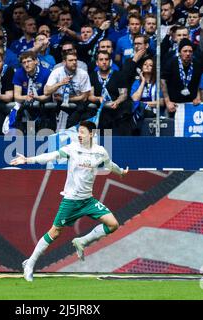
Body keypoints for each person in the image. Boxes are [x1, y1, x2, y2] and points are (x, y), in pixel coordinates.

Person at [10, 120, 129, 282]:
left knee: (113, 224)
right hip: (71, 201)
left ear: (92, 134)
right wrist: (28, 160)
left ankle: (82, 241)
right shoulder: (72, 148)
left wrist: (120, 172)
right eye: (78, 132)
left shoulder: (100, 151)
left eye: (83, 132)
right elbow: (52, 155)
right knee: (55, 232)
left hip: (88, 201)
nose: (79, 135)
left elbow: (109, 165)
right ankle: (29, 264)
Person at [45, 50, 92, 129]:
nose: (74, 62)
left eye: (75, 60)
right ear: (64, 62)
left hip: (78, 104)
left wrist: (63, 98)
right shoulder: (56, 72)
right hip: (60, 104)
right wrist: (60, 83)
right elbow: (46, 91)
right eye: (70, 60)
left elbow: (84, 97)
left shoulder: (83, 74)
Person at [88, 50, 130, 135]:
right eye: (101, 59)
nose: (104, 62)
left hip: (116, 109)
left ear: (110, 61)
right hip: (99, 109)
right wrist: (98, 98)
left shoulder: (119, 75)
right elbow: (90, 96)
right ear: (97, 62)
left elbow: (124, 94)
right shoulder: (92, 76)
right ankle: (102, 144)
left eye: (106, 59)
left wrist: (117, 102)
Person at [161, 38, 202, 117]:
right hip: (174, 104)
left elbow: (200, 81)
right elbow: (163, 81)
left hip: (192, 104)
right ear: (179, 52)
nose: (188, 54)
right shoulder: (171, 63)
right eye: (185, 51)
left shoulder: (197, 64)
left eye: (190, 51)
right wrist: (167, 101)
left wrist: (198, 96)